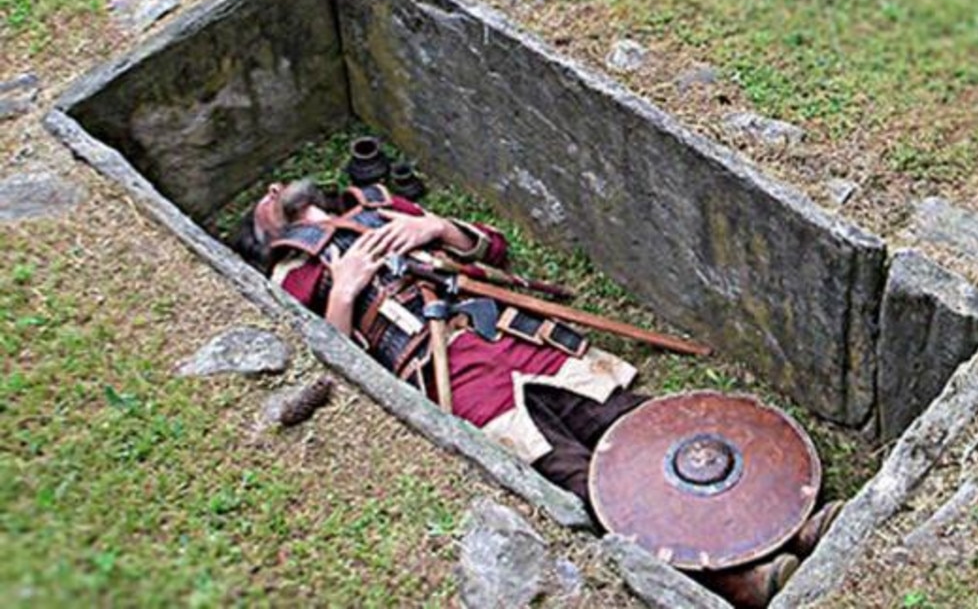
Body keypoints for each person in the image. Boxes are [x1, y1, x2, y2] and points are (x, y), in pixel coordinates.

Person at [234, 178, 840, 608]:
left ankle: (792, 522)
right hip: (451, 375)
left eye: (276, 185)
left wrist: (436, 226)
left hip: (521, 337)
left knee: (648, 432)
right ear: (264, 237)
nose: (273, 190)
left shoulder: (377, 206)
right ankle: (736, 581)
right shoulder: (292, 278)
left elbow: (492, 249)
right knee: (582, 480)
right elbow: (337, 369)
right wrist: (343, 293)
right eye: (265, 200)